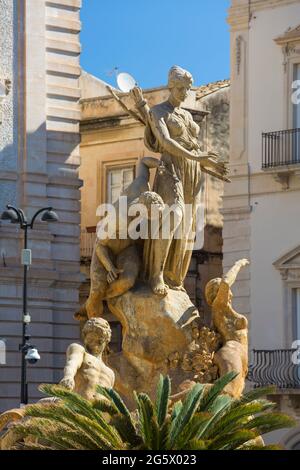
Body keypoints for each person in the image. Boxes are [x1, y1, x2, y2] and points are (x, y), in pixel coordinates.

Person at [132, 65, 227, 296]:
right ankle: (156, 275)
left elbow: (193, 146)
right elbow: (164, 142)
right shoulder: (158, 111)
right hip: (170, 169)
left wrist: (207, 163)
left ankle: (174, 278)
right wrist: (196, 156)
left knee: (187, 228)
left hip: (192, 172)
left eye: (188, 89)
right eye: (181, 89)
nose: (185, 93)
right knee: (172, 217)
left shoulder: (185, 114)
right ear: (171, 87)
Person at [205, 259, 249, 398]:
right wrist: (238, 264)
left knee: (233, 395)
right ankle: (185, 396)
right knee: (228, 393)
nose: (230, 292)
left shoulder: (225, 311)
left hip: (239, 355)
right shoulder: (219, 307)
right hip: (231, 352)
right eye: (227, 290)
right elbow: (225, 282)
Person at [59, 318, 115, 401]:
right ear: (85, 337)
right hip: (78, 408)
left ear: (106, 341)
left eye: (99, 341)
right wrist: (68, 376)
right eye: (90, 340)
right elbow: (72, 362)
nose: (94, 344)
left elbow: (111, 398)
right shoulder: (80, 350)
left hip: (99, 413)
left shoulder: (110, 373)